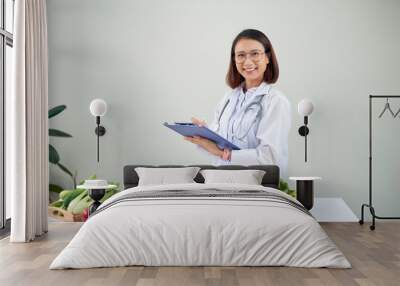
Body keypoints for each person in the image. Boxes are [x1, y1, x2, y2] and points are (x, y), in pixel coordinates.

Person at [184, 29, 291, 174]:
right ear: (234, 60)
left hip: (260, 184)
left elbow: (270, 158)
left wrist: (223, 154)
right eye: (241, 55)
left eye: (255, 53)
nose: (247, 62)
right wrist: (204, 136)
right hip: (224, 180)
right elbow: (216, 151)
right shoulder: (228, 99)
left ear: (267, 57)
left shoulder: (276, 101)